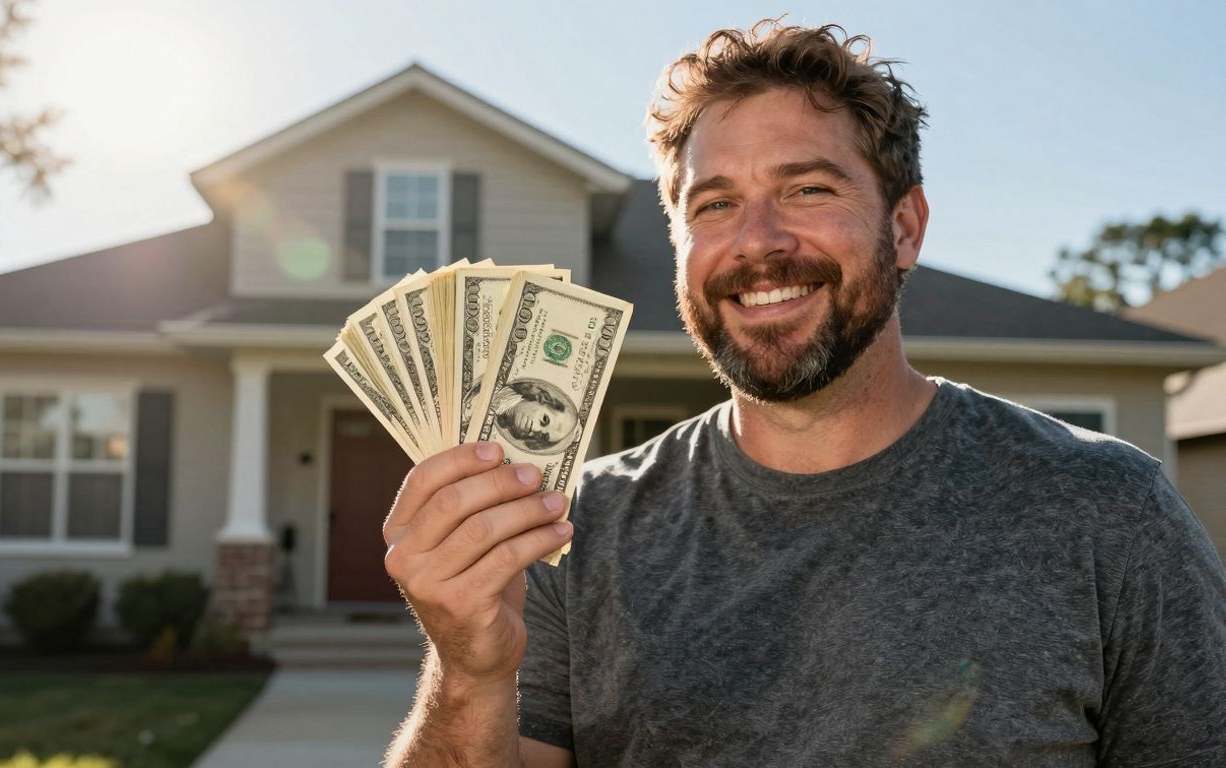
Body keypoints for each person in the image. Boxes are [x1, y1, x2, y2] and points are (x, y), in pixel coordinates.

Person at [381, 20, 1226, 766]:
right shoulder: (573, 530)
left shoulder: (1106, 512)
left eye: (808, 189)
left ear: (904, 227)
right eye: (715, 205)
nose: (758, 243)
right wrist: (468, 674)